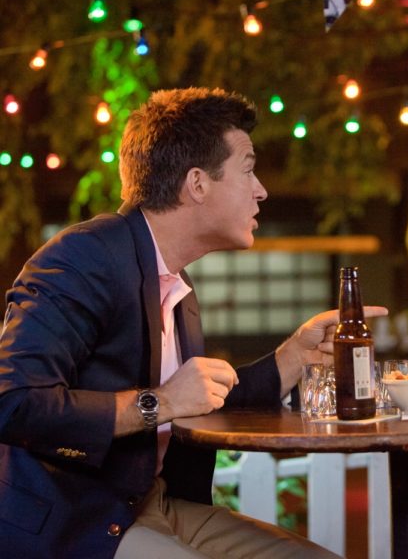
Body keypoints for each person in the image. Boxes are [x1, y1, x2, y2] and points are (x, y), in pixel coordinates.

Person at [0, 87, 386, 558]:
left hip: (155, 505)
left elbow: (197, 399)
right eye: (248, 169)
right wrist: (158, 402)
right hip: (74, 522)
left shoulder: (174, 280)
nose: (261, 189)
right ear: (198, 184)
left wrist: (293, 358)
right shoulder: (83, 257)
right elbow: (14, 403)